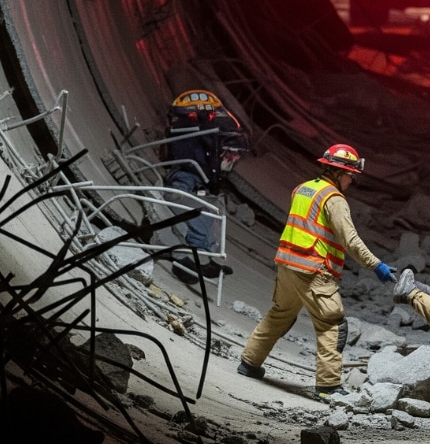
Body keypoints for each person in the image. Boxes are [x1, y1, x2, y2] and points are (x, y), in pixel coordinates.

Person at [237, 144, 398, 401]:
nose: (351, 181)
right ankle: (329, 385)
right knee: (332, 325)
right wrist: (375, 264)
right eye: (350, 176)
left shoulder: (303, 188)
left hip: (287, 263)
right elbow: (351, 239)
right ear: (339, 172)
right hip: (314, 269)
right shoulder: (333, 199)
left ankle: (249, 362)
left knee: (280, 314)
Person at [163, 89, 249, 283]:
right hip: (185, 181)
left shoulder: (200, 171)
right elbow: (177, 196)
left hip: (195, 179)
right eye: (228, 155)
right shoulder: (188, 167)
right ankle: (189, 260)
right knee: (200, 211)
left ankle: (205, 258)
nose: (230, 161)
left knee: (214, 211)